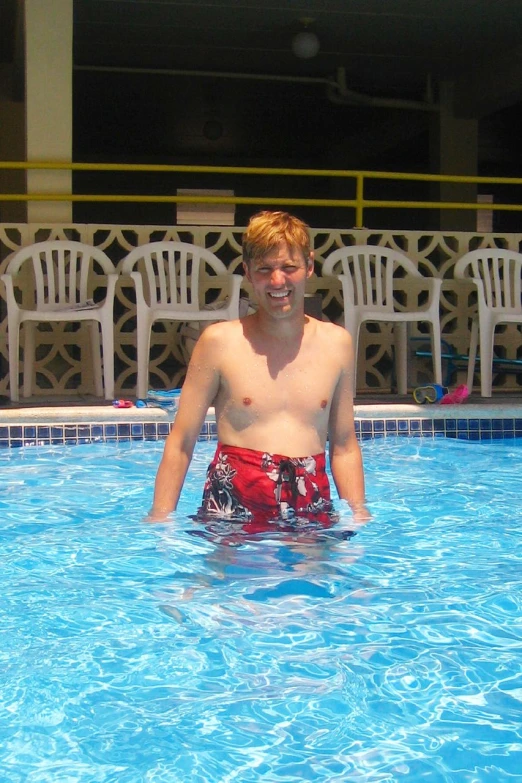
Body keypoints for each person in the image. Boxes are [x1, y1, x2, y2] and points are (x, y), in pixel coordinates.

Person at [148, 210, 370, 526]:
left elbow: (345, 446)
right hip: (233, 501)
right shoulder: (219, 342)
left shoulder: (337, 344)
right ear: (248, 273)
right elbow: (182, 441)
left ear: (309, 266)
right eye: (264, 270)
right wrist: (159, 519)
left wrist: (358, 514)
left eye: (288, 267)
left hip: (309, 501)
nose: (277, 281)